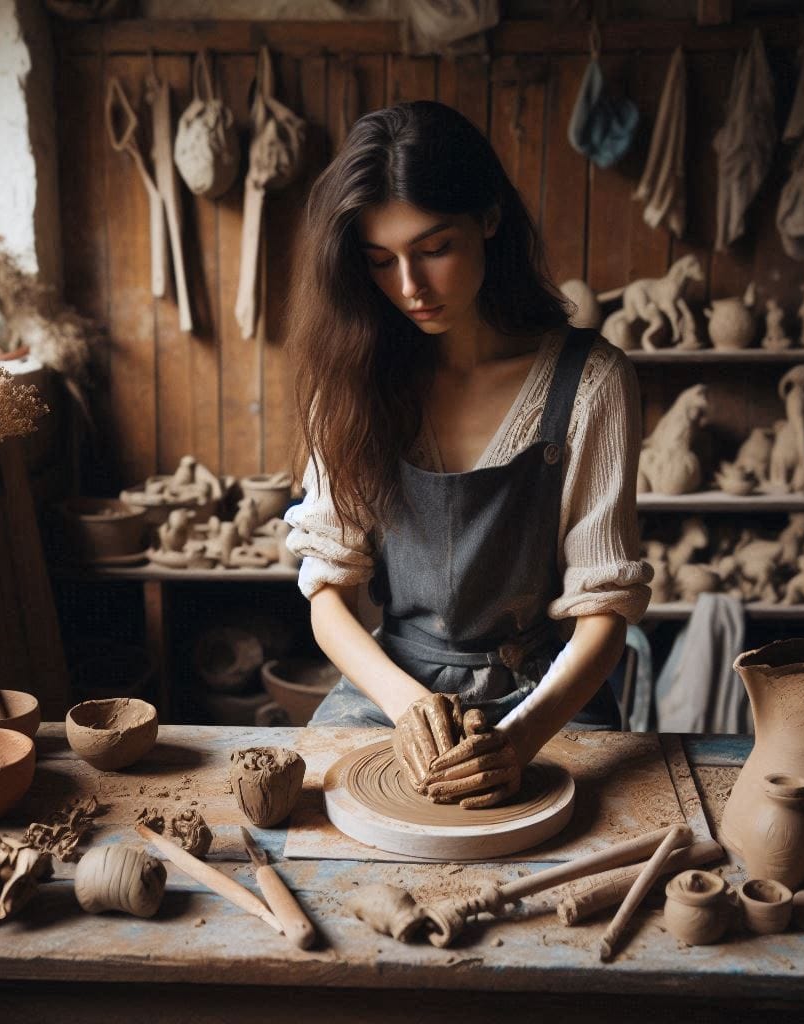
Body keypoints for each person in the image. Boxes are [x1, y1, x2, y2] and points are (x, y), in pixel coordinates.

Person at [283, 100, 651, 809]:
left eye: (434, 248)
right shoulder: (352, 379)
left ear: (489, 218)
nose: (409, 288)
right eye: (380, 261)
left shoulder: (591, 381)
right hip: (392, 691)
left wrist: (521, 737)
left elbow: (604, 609)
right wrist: (406, 704)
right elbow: (328, 592)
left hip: (549, 692)